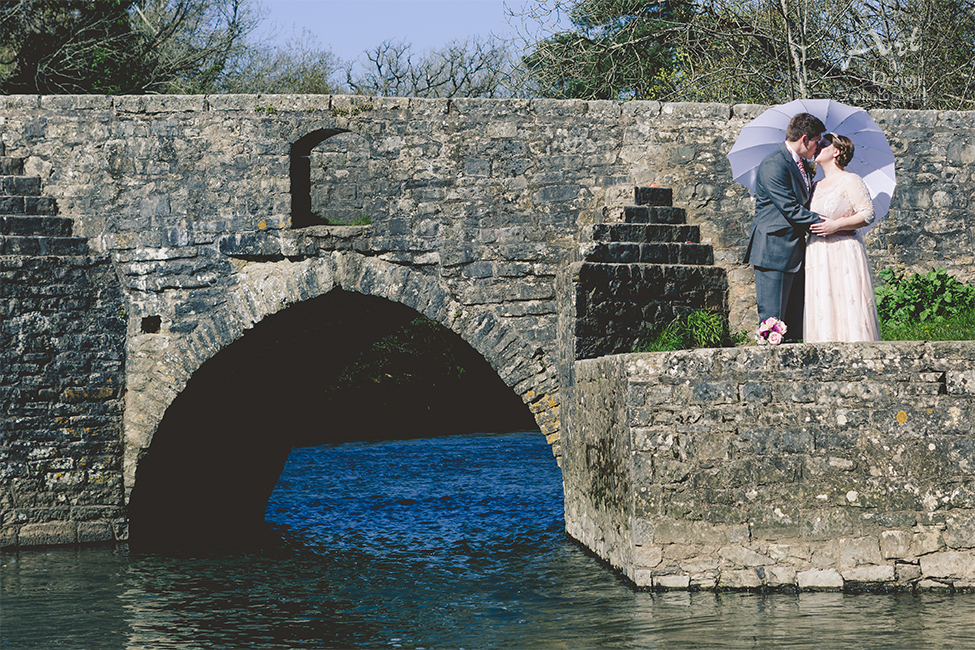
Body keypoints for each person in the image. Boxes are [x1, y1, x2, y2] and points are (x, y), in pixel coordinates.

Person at [743, 112, 827, 341]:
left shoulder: (799, 164)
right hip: (774, 250)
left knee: (792, 326)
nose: (818, 147)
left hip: (793, 250)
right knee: (773, 322)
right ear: (804, 139)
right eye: (817, 141)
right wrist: (828, 224)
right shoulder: (774, 164)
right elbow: (789, 208)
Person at [804, 133, 882, 342]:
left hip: (843, 248)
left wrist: (836, 225)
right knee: (822, 302)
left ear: (837, 151)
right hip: (818, 251)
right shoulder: (814, 185)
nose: (817, 146)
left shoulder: (851, 180)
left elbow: (867, 214)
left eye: (823, 144)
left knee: (847, 300)